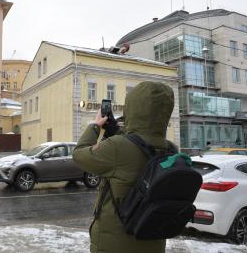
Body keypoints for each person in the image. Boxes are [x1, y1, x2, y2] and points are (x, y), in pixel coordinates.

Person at [73, 81, 175, 253]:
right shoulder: (170, 149)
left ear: (132, 108)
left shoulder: (118, 147)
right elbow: (138, 145)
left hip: (115, 244)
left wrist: (96, 126)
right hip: (154, 242)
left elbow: (79, 155)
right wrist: (116, 130)